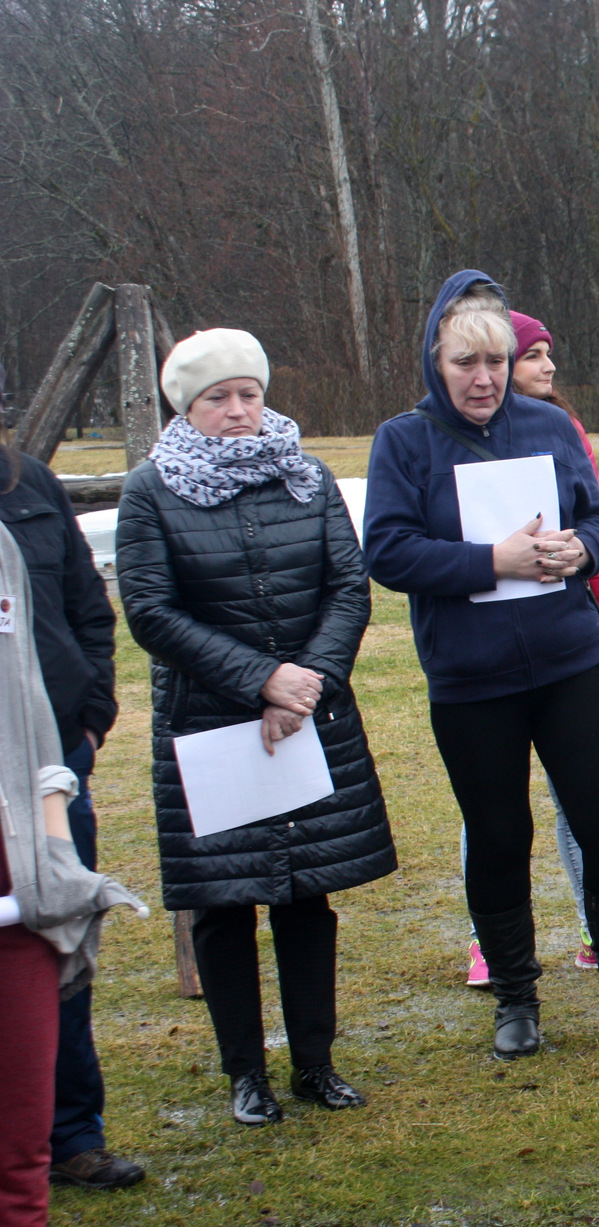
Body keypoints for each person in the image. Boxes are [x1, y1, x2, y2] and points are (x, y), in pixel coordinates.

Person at [364, 271, 599, 1059]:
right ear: (435, 361)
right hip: (472, 681)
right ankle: (516, 997)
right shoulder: (403, 441)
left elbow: (598, 515)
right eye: (465, 363)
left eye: (496, 362)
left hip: (571, 663)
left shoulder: (548, 424)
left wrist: (584, 548)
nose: (483, 379)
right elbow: (388, 550)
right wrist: (491, 561)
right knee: (500, 835)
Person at [117, 330, 396, 1124]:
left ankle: (315, 1063)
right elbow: (151, 611)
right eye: (218, 398)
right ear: (187, 406)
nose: (238, 410)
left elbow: (347, 587)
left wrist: (302, 684)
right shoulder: (151, 490)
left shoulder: (307, 476)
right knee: (224, 903)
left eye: (249, 393)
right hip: (209, 724)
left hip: (304, 716)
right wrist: (259, 679)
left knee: (306, 895)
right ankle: (246, 1073)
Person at [459, 311, 599, 987]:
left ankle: (597, 933)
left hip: (569, 651)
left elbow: (597, 530)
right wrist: (491, 563)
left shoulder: (561, 430)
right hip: (483, 666)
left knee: (584, 797)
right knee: (491, 810)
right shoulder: (441, 439)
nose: (547, 367)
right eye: (532, 355)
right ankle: (489, 945)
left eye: (545, 354)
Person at [0, 516, 141, 1227]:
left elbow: (26, 696)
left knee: (22, 1123)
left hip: (22, 888)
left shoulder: (6, 542)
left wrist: (51, 840)